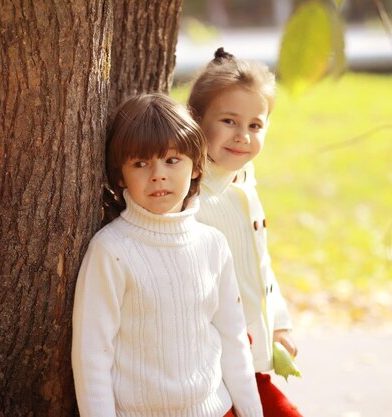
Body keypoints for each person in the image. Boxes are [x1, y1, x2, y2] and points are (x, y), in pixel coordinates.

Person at [71, 93, 263, 417]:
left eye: (172, 160)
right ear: (120, 176)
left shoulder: (212, 245)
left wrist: (252, 412)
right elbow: (92, 356)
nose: (158, 174)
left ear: (196, 166)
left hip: (213, 410)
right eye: (141, 163)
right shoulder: (111, 251)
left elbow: (233, 340)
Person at [188, 48, 303, 417]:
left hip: (252, 360)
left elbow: (260, 265)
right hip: (209, 368)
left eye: (255, 125)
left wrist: (278, 325)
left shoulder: (243, 184)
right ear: (196, 119)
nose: (243, 136)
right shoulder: (190, 195)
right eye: (228, 121)